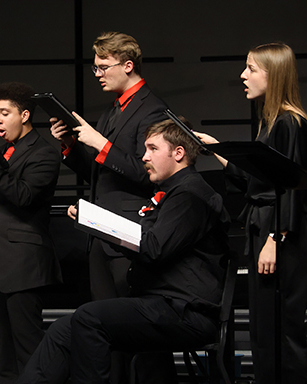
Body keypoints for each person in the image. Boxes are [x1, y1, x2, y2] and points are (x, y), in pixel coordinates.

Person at [16, 118, 231, 384]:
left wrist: (98, 224)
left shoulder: (190, 194)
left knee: (89, 318)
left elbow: (153, 249)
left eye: (152, 149)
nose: (144, 156)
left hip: (186, 311)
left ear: (178, 153)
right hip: (163, 303)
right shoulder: (171, 191)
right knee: (62, 330)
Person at [49, 31, 168, 382]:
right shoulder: (114, 109)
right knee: (105, 329)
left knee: (140, 336)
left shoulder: (152, 108)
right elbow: (100, 174)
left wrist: (100, 143)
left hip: (130, 234)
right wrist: (71, 145)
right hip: (103, 232)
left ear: (128, 65)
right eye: (95, 67)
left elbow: (150, 174)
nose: (97, 73)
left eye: (104, 66)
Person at [197, 42, 307, 384]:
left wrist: (276, 236)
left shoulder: (290, 123)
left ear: (272, 76)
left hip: (279, 235)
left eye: (251, 69)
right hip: (266, 229)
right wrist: (214, 148)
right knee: (264, 325)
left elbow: (294, 188)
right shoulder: (272, 122)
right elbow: (256, 180)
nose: (243, 76)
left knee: (282, 328)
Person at [0, 82, 62, 384]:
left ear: (25, 114)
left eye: (5, 113)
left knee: (27, 345)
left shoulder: (43, 153)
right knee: (2, 346)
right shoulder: (2, 153)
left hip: (23, 263)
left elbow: (23, 196)